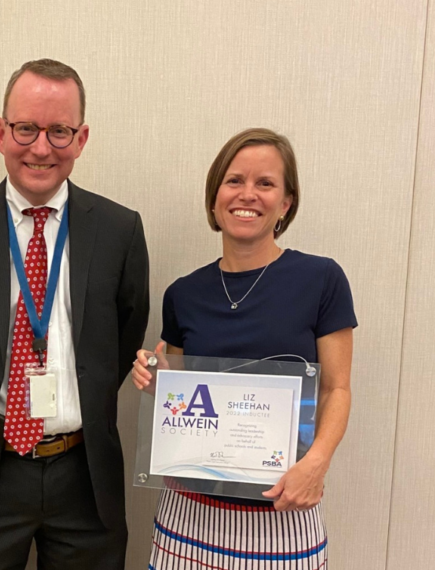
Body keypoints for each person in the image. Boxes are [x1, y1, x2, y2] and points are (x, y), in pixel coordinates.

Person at [0, 59, 149, 570]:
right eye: (26, 128)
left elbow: (121, 339)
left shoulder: (120, 232)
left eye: (59, 131)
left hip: (84, 476)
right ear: (1, 132)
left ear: (82, 137)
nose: (41, 147)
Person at [132, 128, 355, 569]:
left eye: (265, 183)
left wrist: (318, 463)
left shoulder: (321, 279)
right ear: (215, 197)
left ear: (286, 203)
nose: (247, 195)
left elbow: (337, 389)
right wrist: (154, 380)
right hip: (189, 521)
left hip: (282, 515)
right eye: (234, 181)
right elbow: (179, 397)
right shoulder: (183, 293)